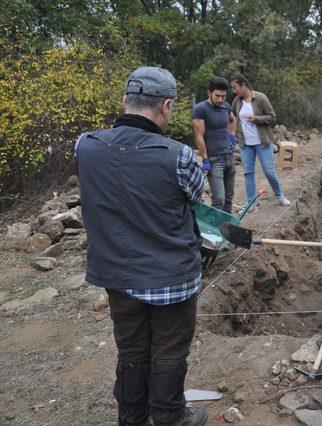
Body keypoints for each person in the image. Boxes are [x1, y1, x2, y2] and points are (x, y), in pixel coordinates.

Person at [75, 67, 207, 426]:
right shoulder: (178, 155)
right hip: (172, 278)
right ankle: (169, 418)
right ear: (166, 106)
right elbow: (196, 197)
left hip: (116, 274)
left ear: (124, 101)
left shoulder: (85, 145)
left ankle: (132, 418)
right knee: (169, 351)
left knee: (131, 350)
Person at [229, 74, 290, 209]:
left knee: (269, 171)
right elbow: (232, 118)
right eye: (232, 88)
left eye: (235, 87)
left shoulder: (260, 98)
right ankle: (251, 203)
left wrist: (256, 119)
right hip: (245, 144)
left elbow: (272, 117)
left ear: (243, 85)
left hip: (262, 142)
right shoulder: (236, 101)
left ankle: (280, 195)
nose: (233, 90)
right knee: (248, 173)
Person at [191, 76, 237, 213]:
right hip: (214, 160)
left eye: (223, 96)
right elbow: (199, 136)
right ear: (209, 92)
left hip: (229, 157)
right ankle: (211, 232)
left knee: (229, 198)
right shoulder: (200, 109)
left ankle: (226, 229)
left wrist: (232, 137)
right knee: (219, 200)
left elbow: (233, 120)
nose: (221, 100)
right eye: (217, 96)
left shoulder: (225, 107)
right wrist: (205, 159)